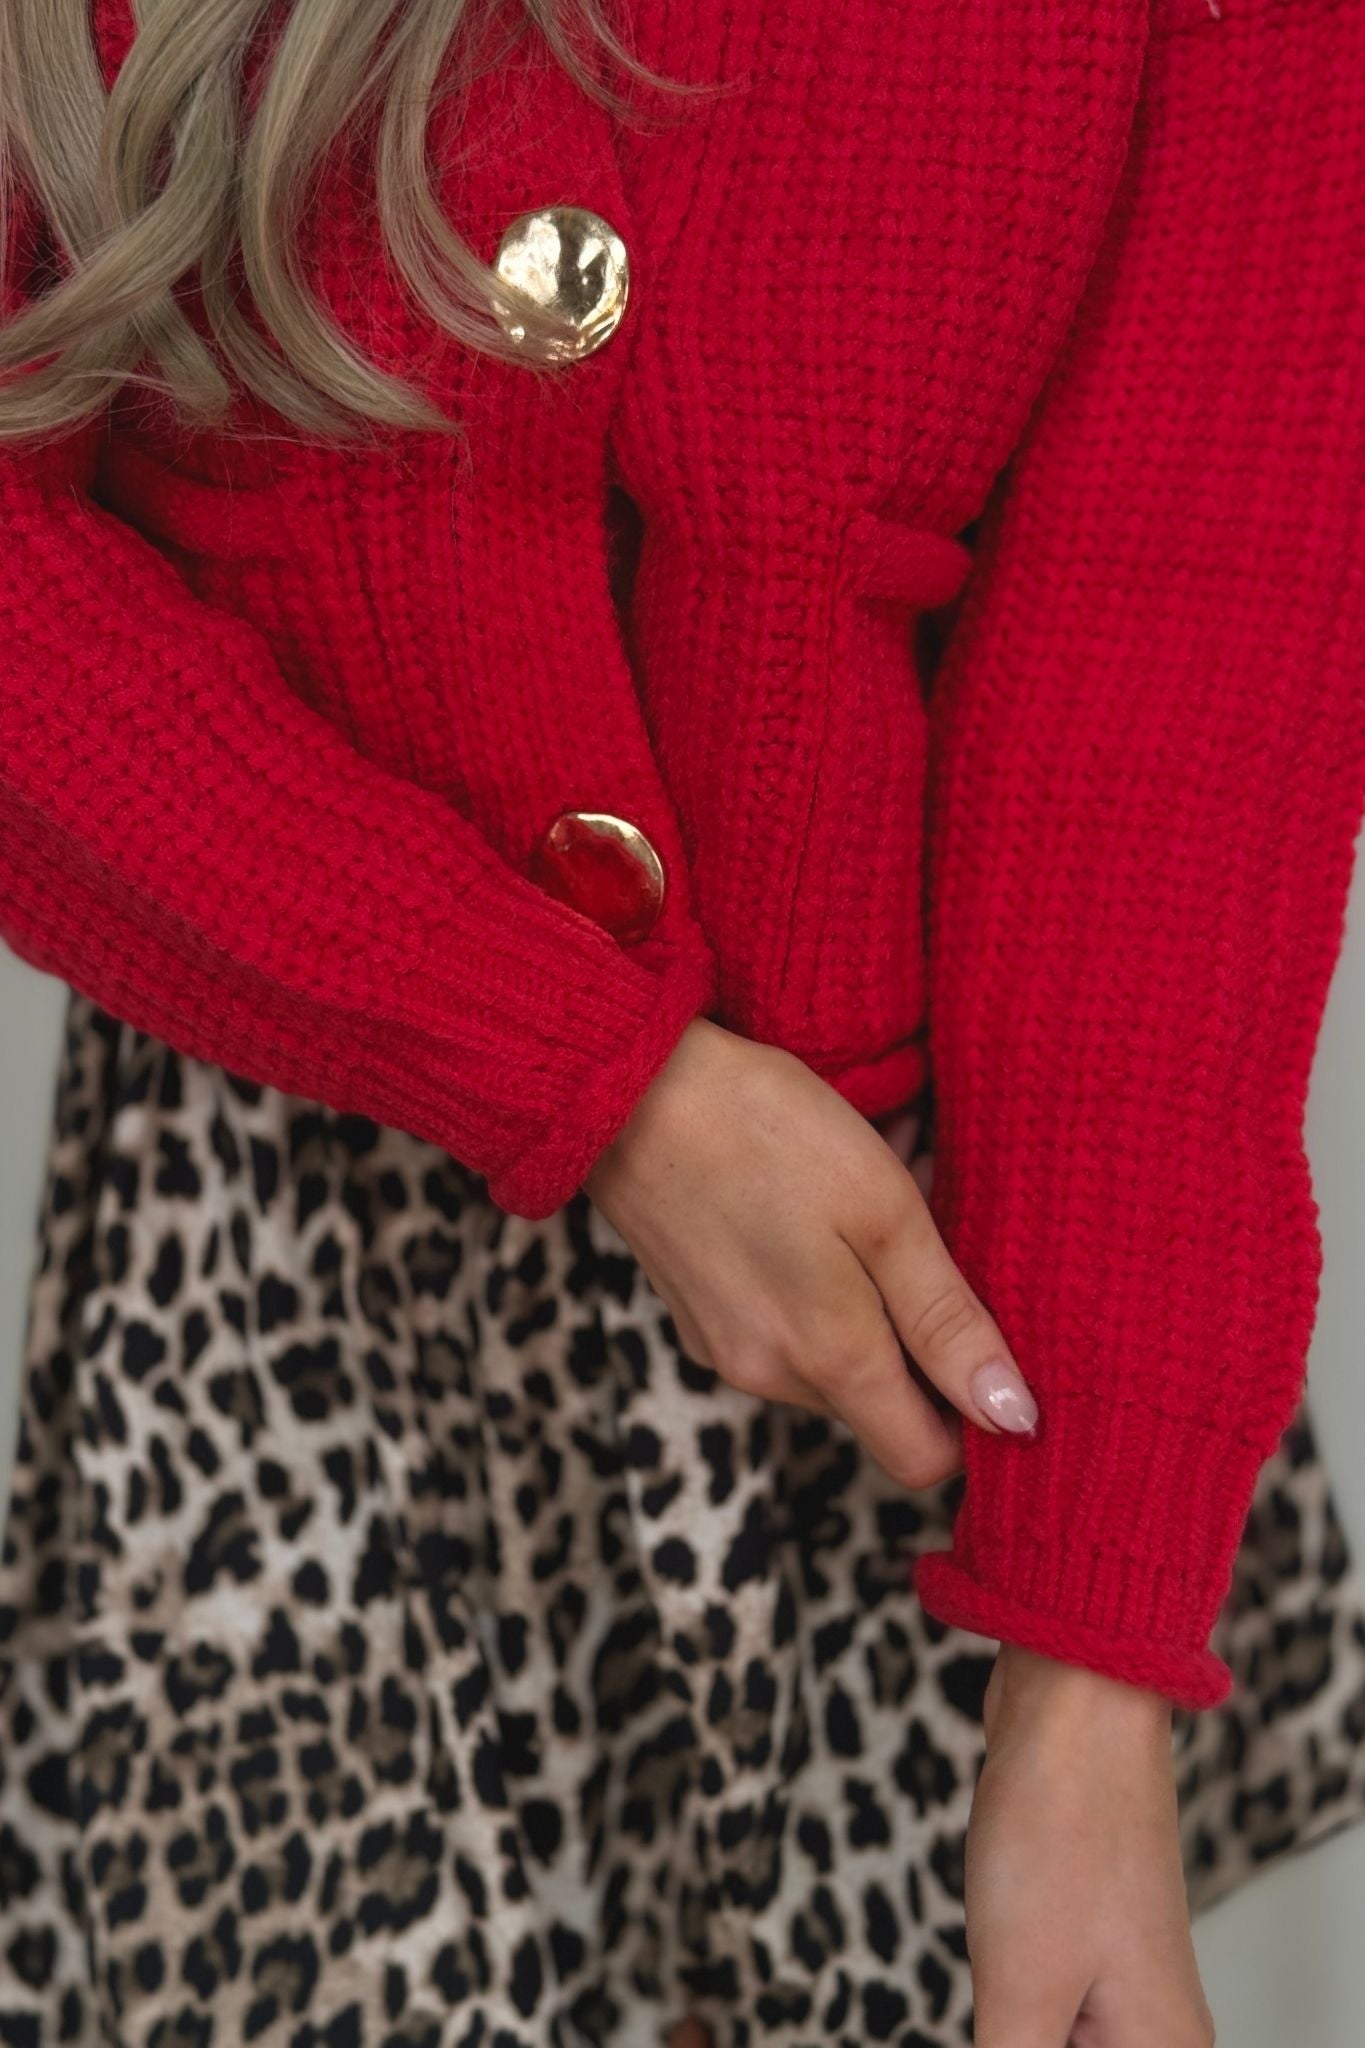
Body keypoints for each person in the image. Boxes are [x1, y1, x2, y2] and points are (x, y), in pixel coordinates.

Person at [1, 1, 1363, 2044]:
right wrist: (573, 1069)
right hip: (300, 1272)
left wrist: (1086, 1640)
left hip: (961, 1298)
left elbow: (1183, 634)